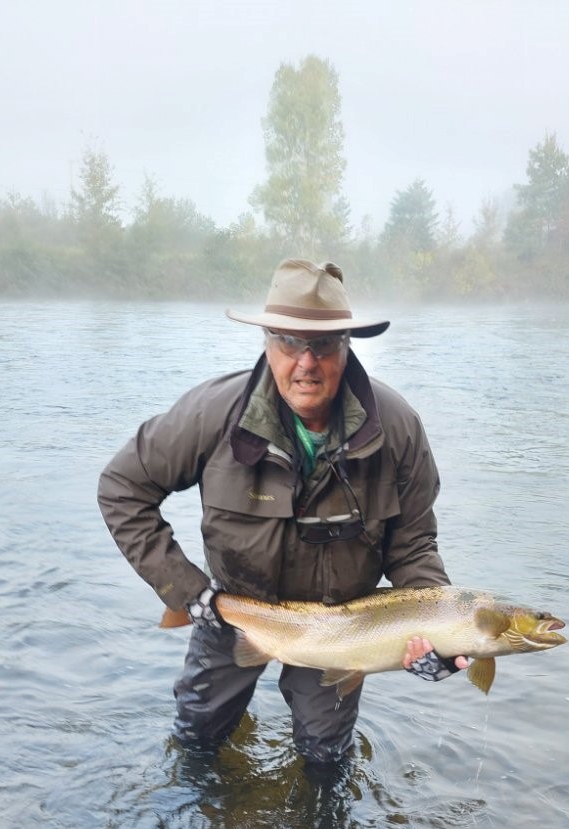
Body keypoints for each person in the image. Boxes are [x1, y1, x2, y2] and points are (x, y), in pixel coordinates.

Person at [98, 258, 467, 765]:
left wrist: (436, 632)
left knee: (325, 758)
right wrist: (188, 592)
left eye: (323, 345)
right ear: (267, 341)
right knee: (196, 740)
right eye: (289, 342)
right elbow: (122, 487)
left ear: (347, 345)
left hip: (339, 628)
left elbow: (413, 546)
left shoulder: (397, 429)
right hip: (231, 608)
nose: (306, 362)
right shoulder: (212, 414)